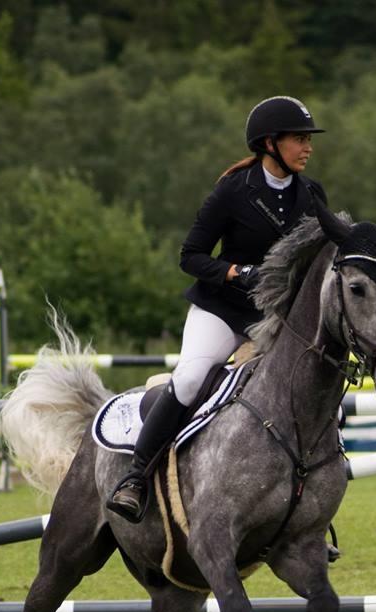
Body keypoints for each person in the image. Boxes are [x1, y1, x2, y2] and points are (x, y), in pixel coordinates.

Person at [107, 95, 328, 521]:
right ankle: (135, 478)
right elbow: (190, 255)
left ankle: (308, 509)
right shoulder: (232, 192)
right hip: (223, 310)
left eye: (307, 140)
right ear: (270, 143)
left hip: (276, 318)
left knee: (303, 392)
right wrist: (235, 273)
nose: (308, 148)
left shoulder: (311, 195)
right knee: (190, 379)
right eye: (299, 139)